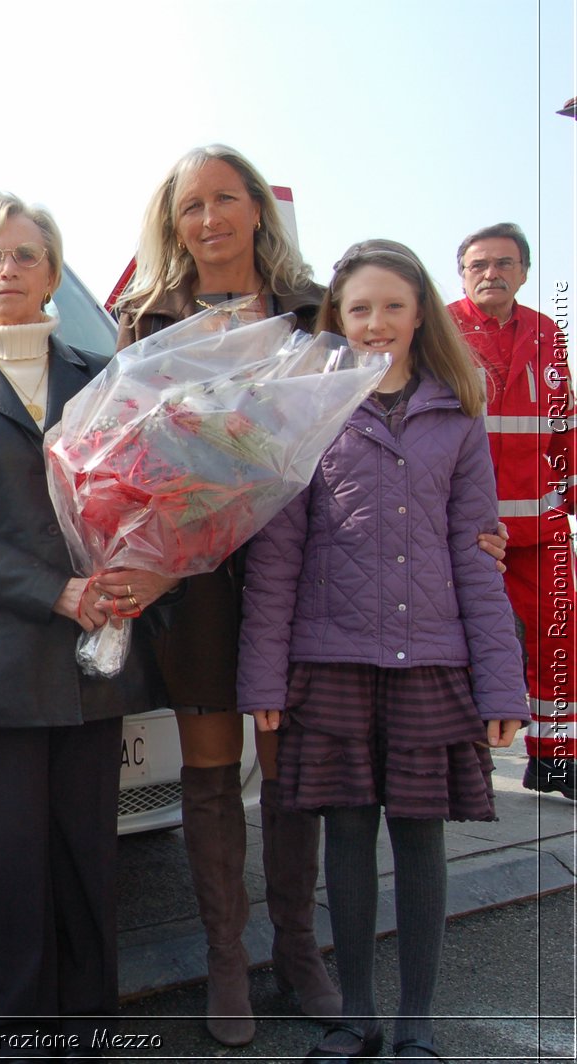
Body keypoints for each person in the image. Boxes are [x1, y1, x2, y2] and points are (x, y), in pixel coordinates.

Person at [239, 239, 527, 1061]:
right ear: (336, 319)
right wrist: (263, 677)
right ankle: (356, 1016)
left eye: (393, 306)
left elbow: (479, 556)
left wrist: (501, 686)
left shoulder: (456, 416)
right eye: (359, 308)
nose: (376, 323)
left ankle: (416, 1025)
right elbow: (278, 560)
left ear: (420, 314)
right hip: (330, 662)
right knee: (349, 839)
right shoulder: (309, 415)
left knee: (422, 840)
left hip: (432, 665)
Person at [0, 193, 165, 1054]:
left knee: (92, 860)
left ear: (54, 272)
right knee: (17, 869)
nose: (6, 272)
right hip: (2, 663)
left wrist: (139, 567)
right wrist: (58, 594)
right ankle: (20, 1036)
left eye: (23, 255)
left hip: (96, 659)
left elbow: (143, 499)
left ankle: (94, 1028)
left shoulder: (103, 378)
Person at [114, 145, 339, 1045]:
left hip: (299, 570)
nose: (208, 220)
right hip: (195, 575)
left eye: (224, 200)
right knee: (210, 775)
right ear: (173, 223)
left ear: (257, 210)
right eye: (190, 206)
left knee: (287, 774)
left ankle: (298, 952)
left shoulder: (313, 311)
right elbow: (126, 449)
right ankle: (225, 964)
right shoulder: (144, 320)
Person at [447, 223, 573, 801]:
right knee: (463, 646)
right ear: (462, 274)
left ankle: (557, 759)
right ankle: (465, 761)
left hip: (540, 528)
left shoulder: (549, 334)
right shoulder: (438, 329)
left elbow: (563, 428)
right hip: (468, 530)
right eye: (478, 265)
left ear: (524, 272)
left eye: (504, 263)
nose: (490, 273)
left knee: (559, 641)